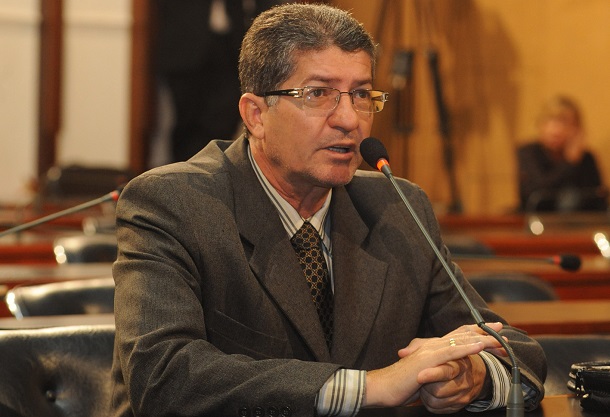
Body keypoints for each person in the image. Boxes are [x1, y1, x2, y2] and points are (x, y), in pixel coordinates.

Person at [110, 4, 546, 416]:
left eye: (361, 95)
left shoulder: (398, 207)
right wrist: (370, 387)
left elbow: (517, 353)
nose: (349, 120)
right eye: (318, 94)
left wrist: (473, 375)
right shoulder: (174, 204)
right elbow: (163, 377)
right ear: (255, 115)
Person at [152, 0, 283, 162]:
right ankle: (184, 172)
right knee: (184, 123)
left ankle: (213, 171)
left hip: (231, 44)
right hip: (185, 46)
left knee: (224, 118)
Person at [517, 95, 607, 212]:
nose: (556, 130)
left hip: (578, 222)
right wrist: (569, 163)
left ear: (576, 129)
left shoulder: (586, 158)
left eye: (564, 123)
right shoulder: (528, 153)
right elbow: (534, 193)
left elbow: (597, 200)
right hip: (537, 220)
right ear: (541, 125)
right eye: (550, 121)